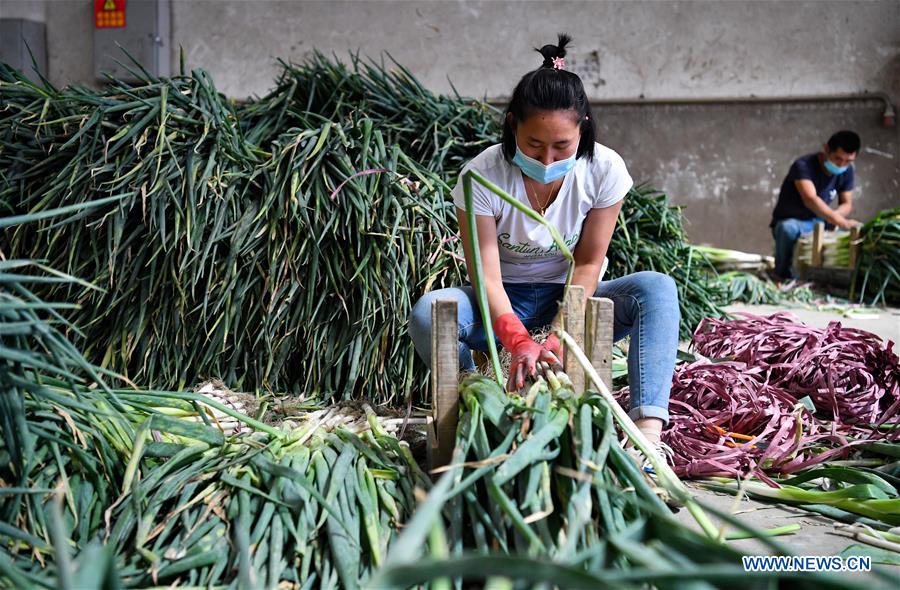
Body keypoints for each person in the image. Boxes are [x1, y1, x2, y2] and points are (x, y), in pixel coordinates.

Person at [408, 34, 679, 464]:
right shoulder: (480, 177)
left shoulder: (605, 169)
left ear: (583, 129)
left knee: (657, 290)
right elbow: (487, 277)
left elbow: (590, 261)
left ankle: (647, 435)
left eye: (562, 146)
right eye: (534, 144)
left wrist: (559, 330)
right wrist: (517, 340)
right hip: (499, 300)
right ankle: (477, 398)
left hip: (569, 295)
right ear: (513, 124)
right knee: (429, 312)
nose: (548, 159)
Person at [770, 130, 862, 279]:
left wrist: (834, 217)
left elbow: (847, 204)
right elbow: (810, 200)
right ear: (826, 149)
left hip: (820, 222)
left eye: (848, 161)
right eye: (838, 158)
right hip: (794, 222)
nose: (842, 164)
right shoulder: (803, 166)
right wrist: (840, 221)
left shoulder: (847, 171)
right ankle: (782, 277)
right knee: (787, 229)